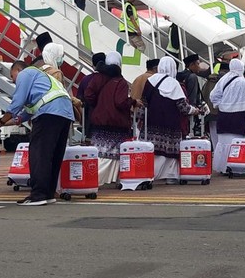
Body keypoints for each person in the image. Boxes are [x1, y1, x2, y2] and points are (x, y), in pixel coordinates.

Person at [0, 61, 74, 206]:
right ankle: (48, 193)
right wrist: (15, 120)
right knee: (54, 155)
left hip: (48, 114)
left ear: (18, 70)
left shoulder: (26, 73)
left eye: (12, 76)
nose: (14, 81)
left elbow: (17, 102)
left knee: (39, 154)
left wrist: (1, 121)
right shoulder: (42, 79)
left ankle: (38, 194)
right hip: (64, 113)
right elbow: (27, 111)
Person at [142, 57, 201, 183]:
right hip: (171, 124)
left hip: (152, 122)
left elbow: (144, 102)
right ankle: (170, 176)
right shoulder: (175, 84)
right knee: (170, 153)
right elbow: (183, 107)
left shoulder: (150, 81)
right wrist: (194, 110)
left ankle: (150, 174)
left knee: (154, 150)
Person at [86, 52, 137, 185]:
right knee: (113, 154)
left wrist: (100, 104)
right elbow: (120, 102)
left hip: (99, 120)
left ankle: (90, 177)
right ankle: (100, 179)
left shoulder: (98, 77)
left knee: (99, 153)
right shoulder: (120, 81)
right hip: (116, 122)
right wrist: (132, 102)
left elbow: (88, 95)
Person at [210, 58, 245, 174]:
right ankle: (236, 166)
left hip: (223, 116)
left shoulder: (223, 79)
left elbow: (213, 96)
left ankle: (222, 167)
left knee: (223, 142)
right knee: (236, 143)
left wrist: (221, 104)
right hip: (238, 116)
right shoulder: (244, 82)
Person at [77, 52, 106, 140]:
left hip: (89, 121)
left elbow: (79, 100)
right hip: (105, 120)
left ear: (92, 65)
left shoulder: (85, 79)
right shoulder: (109, 79)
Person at [202, 61, 229, 151]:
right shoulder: (224, 81)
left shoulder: (208, 81)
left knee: (214, 135)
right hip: (220, 111)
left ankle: (216, 152)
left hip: (209, 113)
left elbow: (204, 94)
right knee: (223, 137)